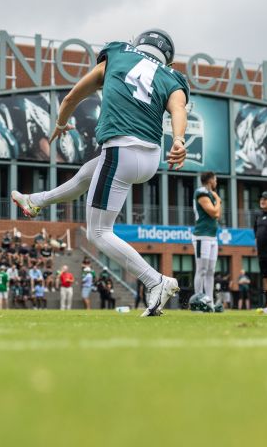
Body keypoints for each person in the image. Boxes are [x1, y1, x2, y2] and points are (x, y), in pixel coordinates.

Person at [10, 29, 187, 316]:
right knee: (85, 176)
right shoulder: (172, 77)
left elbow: (71, 97)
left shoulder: (118, 54)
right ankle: (36, 201)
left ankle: (156, 281)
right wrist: (179, 139)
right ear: (168, 59)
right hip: (150, 158)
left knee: (98, 232)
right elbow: (178, 108)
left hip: (120, 151)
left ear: (137, 43)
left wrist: (61, 122)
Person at [192, 172, 222, 300]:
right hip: (202, 236)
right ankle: (198, 300)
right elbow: (214, 213)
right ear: (210, 180)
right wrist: (219, 201)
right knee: (202, 270)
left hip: (212, 237)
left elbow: (217, 214)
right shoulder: (201, 192)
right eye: (215, 179)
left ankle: (209, 301)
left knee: (211, 271)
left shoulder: (210, 194)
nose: (216, 182)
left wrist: (217, 201)